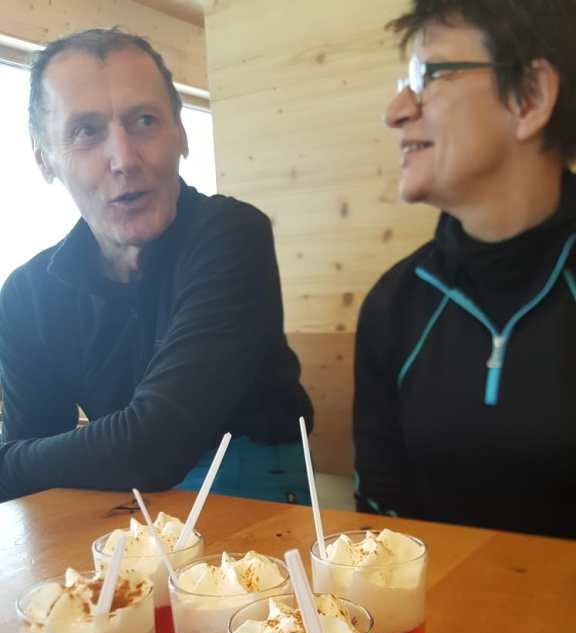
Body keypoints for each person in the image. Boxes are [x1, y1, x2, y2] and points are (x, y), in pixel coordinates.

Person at [0, 29, 313, 503]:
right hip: (115, 502)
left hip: (254, 491)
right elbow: (30, 482)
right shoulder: (27, 295)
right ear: (44, 159)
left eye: (144, 120)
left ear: (181, 134)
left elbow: (158, 441)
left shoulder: (230, 234)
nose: (124, 158)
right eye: (86, 131)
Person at [354, 0, 576, 538]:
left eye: (428, 75)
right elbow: (380, 523)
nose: (396, 111)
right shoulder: (395, 302)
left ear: (529, 96)